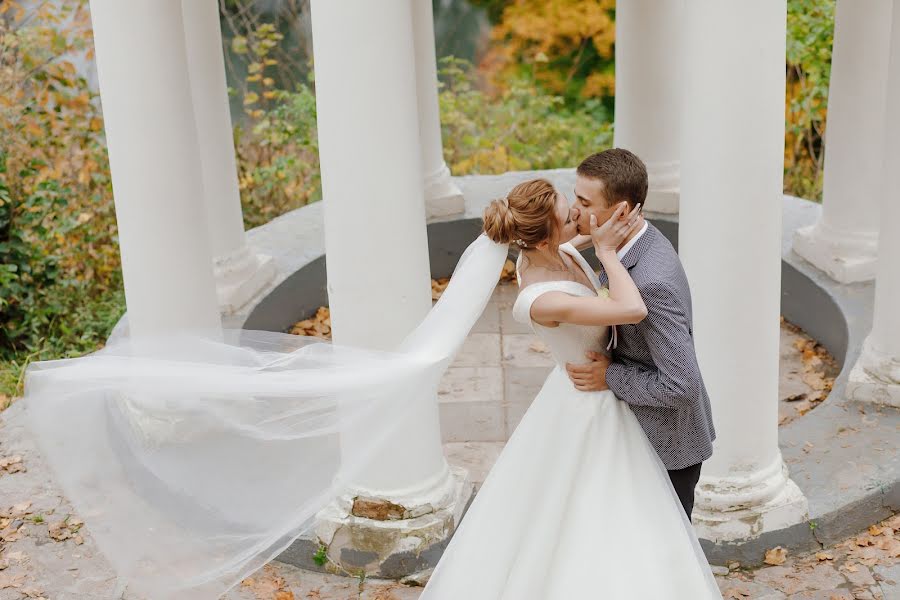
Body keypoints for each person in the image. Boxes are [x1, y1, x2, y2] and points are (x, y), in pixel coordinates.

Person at [418, 177, 720, 599]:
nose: (576, 216)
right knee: (585, 515)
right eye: (566, 214)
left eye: (572, 204)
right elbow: (631, 309)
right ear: (542, 240)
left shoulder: (557, 249)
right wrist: (610, 252)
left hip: (601, 392)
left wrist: (613, 226)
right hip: (585, 399)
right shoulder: (541, 299)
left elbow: (593, 232)